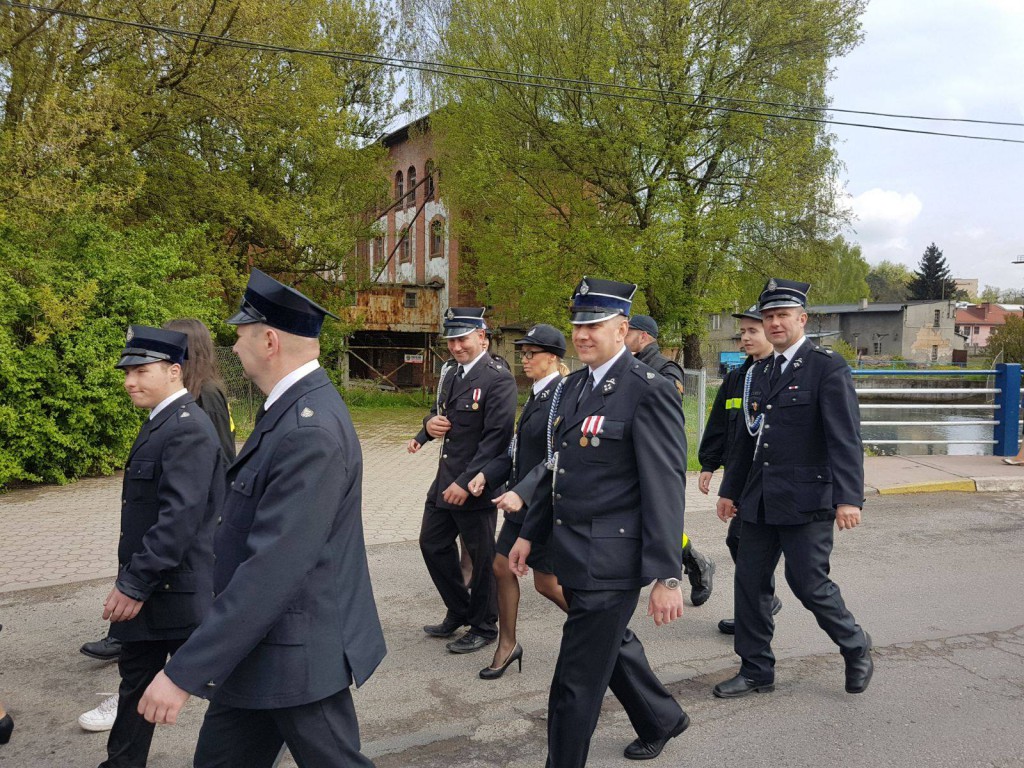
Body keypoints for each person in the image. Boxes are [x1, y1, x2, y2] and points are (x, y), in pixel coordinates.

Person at [138, 269, 386, 768]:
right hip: (264, 649)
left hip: (296, 653)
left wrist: (183, 671)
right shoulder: (291, 410)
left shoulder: (308, 430)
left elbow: (273, 568)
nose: (232, 347)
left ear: (269, 341)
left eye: (241, 335)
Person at [507, 277, 689, 766]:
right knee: (606, 651)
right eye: (578, 324)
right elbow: (557, 469)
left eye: (595, 324)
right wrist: (530, 534)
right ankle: (661, 718)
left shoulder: (647, 391)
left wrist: (667, 575)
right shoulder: (572, 387)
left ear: (621, 328)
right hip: (573, 553)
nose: (583, 334)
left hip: (613, 561)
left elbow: (666, 488)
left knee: (574, 682)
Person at [713, 278, 873, 699]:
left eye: (783, 315)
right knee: (749, 583)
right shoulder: (761, 371)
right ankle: (755, 669)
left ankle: (855, 645)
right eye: (768, 317)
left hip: (807, 499)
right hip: (760, 498)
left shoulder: (827, 367)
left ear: (802, 319)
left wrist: (848, 498)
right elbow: (747, 439)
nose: (774, 323)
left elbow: (845, 439)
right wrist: (730, 490)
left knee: (808, 584)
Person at [79, 318, 236, 733]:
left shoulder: (188, 427)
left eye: (140, 371)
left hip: (175, 589)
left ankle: (266, 740)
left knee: (225, 686)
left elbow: (179, 519)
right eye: (127, 373)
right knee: (135, 686)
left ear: (173, 371)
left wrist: (133, 584)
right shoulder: (159, 421)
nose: (130, 382)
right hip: (152, 586)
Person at [408, 307, 518, 654]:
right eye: (452, 340)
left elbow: (497, 438)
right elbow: (442, 413)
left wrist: (468, 480)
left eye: (463, 339)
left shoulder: (497, 377)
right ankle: (459, 608)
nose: (456, 346)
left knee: (482, 556)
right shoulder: (452, 373)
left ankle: (485, 625)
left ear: (482, 337)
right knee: (432, 544)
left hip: (475, 484)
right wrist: (426, 429)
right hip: (445, 477)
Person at [467, 324, 570, 679]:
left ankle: (601, 633)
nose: (524, 360)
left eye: (532, 354)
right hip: (522, 502)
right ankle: (507, 644)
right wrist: (486, 475)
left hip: (544, 504)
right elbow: (516, 451)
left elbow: (556, 457)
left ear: (553, 358)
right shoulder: (539, 395)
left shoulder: (563, 395)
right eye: (522, 353)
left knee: (547, 583)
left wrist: (521, 492)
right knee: (501, 567)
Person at [696, 306, 782, 635]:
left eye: (751, 332)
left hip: (771, 481)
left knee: (749, 546)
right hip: (742, 478)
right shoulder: (737, 379)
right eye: (742, 332)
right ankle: (761, 604)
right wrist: (708, 463)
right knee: (739, 542)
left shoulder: (781, 376)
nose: (744, 338)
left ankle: (757, 607)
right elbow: (719, 424)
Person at [625, 314, 715, 606]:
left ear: (644, 337)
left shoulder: (665, 367)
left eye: (629, 332)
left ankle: (694, 564)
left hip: (656, 455)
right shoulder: (625, 365)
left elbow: (665, 407)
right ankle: (695, 561)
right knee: (639, 521)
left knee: (655, 520)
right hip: (630, 454)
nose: (623, 337)